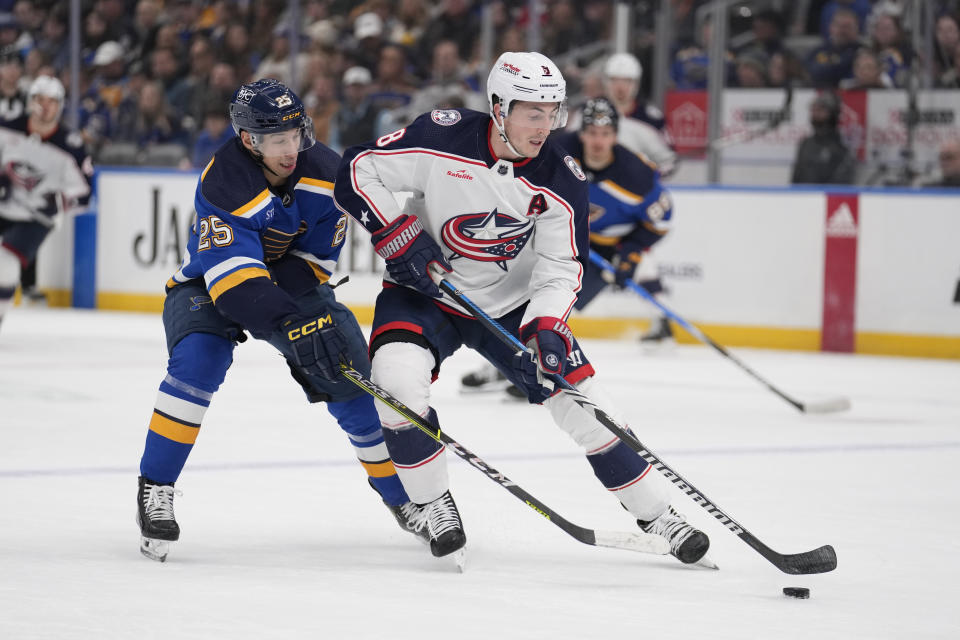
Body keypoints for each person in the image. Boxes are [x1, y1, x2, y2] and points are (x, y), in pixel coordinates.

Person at [333, 52, 711, 566]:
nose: (546, 125)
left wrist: (549, 325)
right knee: (396, 386)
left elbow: (561, 266)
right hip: (425, 291)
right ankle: (431, 504)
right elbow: (358, 168)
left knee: (588, 406)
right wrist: (397, 231)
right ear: (497, 107)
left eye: (553, 111)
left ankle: (659, 515)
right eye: (532, 112)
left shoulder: (562, 177)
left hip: (513, 307)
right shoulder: (442, 137)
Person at [135, 79, 426, 563]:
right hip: (210, 285)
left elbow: (314, 262)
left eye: (295, 134)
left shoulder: (325, 172)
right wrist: (293, 324)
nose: (291, 148)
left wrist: (307, 319)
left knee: (350, 379)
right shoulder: (224, 179)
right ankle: (156, 487)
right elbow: (235, 285)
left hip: (293, 287)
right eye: (276, 140)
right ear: (249, 140)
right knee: (197, 364)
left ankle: (403, 500)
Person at [463, 97, 676, 394]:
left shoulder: (637, 175)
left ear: (615, 135)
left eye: (605, 134)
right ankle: (502, 366)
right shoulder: (555, 150)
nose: (597, 141)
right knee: (518, 296)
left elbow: (660, 221)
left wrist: (632, 251)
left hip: (605, 248)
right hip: (556, 236)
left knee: (556, 302)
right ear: (582, 132)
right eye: (591, 133)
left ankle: (542, 366)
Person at [0, 75, 91, 330]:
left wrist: (58, 202)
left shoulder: (70, 146)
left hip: (36, 217)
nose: (46, 106)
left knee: (5, 261)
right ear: (30, 101)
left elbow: (84, 193)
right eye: (40, 99)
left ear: (60, 106)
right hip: (4, 205)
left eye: (52, 101)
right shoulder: (6, 128)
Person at [791, 91, 857, 184]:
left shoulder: (842, 147)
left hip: (827, 196)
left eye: (820, 110)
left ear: (833, 114)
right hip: (803, 196)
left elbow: (843, 183)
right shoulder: (805, 143)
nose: (815, 115)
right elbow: (796, 177)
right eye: (813, 110)